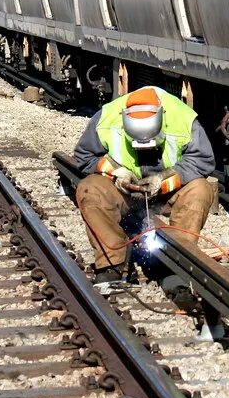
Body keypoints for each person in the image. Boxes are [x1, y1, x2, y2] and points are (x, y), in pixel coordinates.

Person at [73, 86, 216, 281]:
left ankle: (180, 262)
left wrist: (165, 180)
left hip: (167, 190)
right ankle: (112, 263)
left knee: (200, 189)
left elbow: (202, 160)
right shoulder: (106, 118)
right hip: (123, 189)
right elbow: (84, 155)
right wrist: (116, 172)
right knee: (89, 190)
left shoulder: (182, 118)